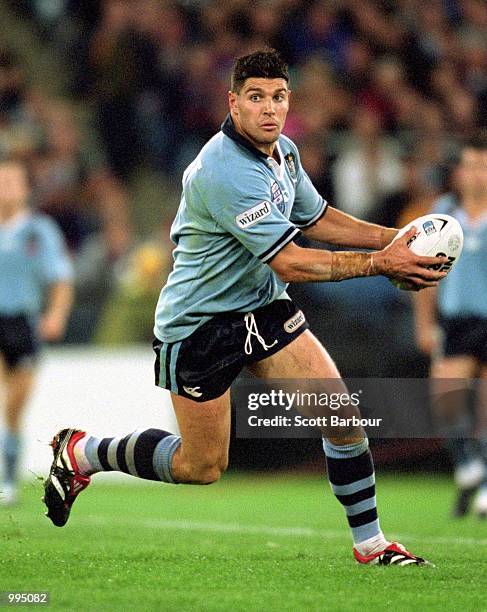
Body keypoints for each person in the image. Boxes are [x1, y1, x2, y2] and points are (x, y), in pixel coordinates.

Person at [43, 50, 447, 565]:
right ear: (234, 103)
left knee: (342, 418)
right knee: (202, 465)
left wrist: (400, 239)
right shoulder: (224, 169)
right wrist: (383, 263)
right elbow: (293, 264)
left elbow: (319, 218)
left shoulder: (284, 153)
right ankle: (84, 451)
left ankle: (371, 545)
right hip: (199, 326)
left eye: (278, 97)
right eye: (256, 98)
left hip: (262, 309)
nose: (269, 109)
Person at [415, 135, 487, 518]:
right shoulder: (443, 213)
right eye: (471, 166)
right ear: (459, 172)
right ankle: (469, 466)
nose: (477, 175)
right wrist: (425, 322)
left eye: (483, 166)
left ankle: (484, 486)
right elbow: (425, 275)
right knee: (446, 403)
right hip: (457, 322)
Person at [0, 159, 73, 505]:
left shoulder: (38, 230)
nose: (6, 188)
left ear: (25, 188)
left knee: (15, 405)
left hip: (22, 322)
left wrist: (56, 314)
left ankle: (8, 476)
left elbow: (60, 278)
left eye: (13, 181)